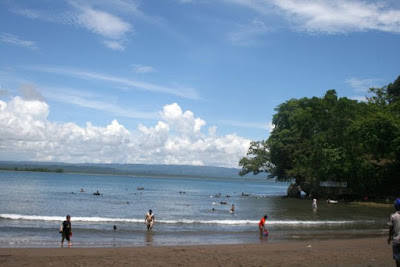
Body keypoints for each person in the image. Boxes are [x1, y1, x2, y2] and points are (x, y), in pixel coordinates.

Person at [388, 198, 400, 266]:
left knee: (397, 257)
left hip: (396, 240)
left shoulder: (393, 216)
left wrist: (389, 237)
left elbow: (391, 228)